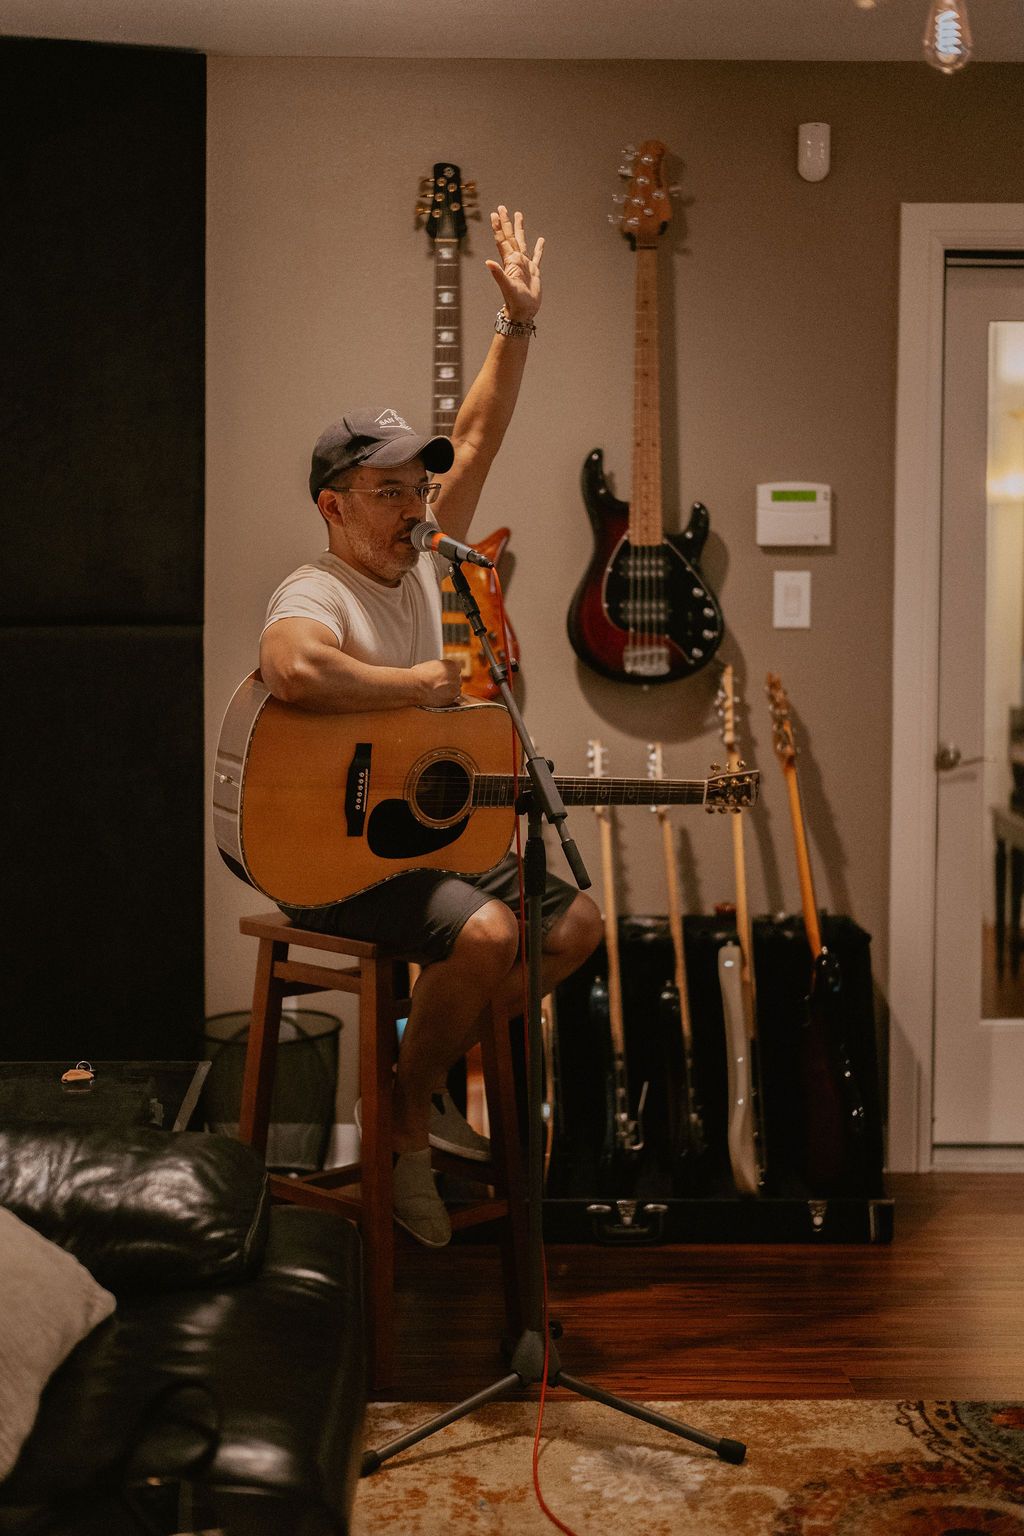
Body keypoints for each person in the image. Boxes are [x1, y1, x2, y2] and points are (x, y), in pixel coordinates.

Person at [258, 206, 603, 1247]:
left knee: (575, 926)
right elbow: (291, 665)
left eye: (419, 488)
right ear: (334, 505)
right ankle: (407, 1117)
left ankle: (417, 1072)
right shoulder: (316, 588)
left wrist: (518, 323)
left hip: (413, 844)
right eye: (388, 491)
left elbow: (481, 431)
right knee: (490, 932)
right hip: (329, 856)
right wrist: (415, 684)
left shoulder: (422, 557)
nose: (415, 506)